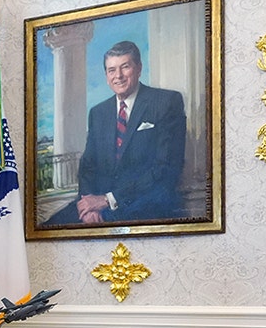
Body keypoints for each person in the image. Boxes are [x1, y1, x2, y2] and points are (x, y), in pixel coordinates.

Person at [49, 40, 186, 225]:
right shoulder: (98, 113)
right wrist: (88, 203)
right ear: (106, 75)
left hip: (145, 201)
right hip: (99, 204)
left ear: (138, 68)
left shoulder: (166, 102)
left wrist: (107, 200)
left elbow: (165, 168)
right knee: (49, 227)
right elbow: (88, 166)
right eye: (111, 70)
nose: (118, 76)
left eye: (125, 67)